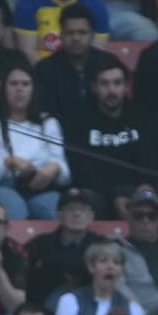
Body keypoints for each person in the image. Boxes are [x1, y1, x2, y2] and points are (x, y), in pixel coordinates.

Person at [62, 59, 147, 218]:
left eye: (117, 83)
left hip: (136, 193)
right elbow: (80, 170)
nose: (111, 90)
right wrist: (115, 195)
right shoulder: (78, 121)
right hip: (96, 196)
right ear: (94, 87)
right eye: (104, 84)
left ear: (126, 86)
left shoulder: (142, 118)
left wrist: (133, 191)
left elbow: (149, 162)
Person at [0, 64, 68, 221]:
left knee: (56, 207)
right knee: (15, 207)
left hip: (41, 188)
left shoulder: (48, 122)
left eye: (25, 84)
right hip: (3, 186)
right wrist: (8, 162)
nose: (20, 89)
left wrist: (55, 168)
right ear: (4, 89)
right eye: (14, 84)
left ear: (34, 90)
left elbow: (66, 175)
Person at [32, 2, 115, 125]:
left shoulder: (108, 63)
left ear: (92, 35)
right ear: (61, 35)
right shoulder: (45, 69)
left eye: (82, 32)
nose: (76, 38)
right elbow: (44, 113)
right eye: (70, 33)